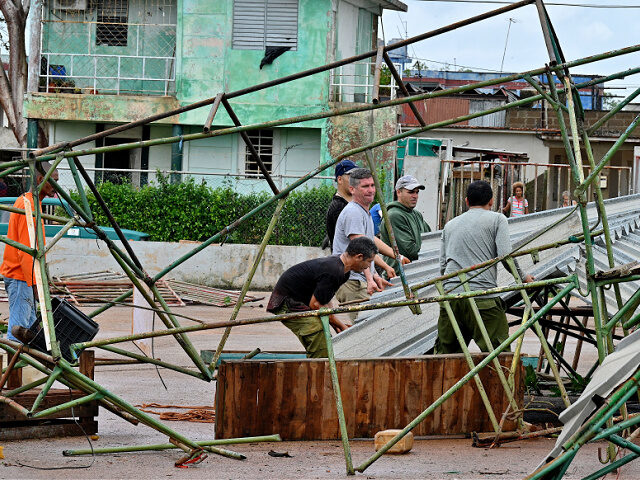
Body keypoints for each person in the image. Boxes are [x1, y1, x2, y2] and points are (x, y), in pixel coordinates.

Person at [435, 180, 534, 354]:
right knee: (498, 354)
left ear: (466, 201)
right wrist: (523, 277)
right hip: (482, 297)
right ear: (491, 201)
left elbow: (443, 265)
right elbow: (505, 256)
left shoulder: (449, 225)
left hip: (451, 297)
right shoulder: (497, 219)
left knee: (445, 356)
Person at [266, 237, 378, 358]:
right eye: (369, 261)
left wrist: (335, 325)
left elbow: (325, 300)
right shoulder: (333, 270)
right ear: (359, 257)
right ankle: (318, 371)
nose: (368, 267)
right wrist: (341, 326)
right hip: (287, 303)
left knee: (324, 328)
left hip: (302, 301)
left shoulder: (344, 272)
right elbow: (316, 305)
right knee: (317, 331)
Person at [332, 168, 409, 320]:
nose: (371, 190)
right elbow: (361, 249)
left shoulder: (363, 212)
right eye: (365, 186)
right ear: (352, 189)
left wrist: (394, 258)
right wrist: (370, 279)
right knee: (361, 329)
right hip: (351, 281)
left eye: (372, 185)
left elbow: (371, 240)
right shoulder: (353, 212)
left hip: (358, 279)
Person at [1, 162, 59, 342]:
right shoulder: (29, 207)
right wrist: (36, 285)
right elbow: (27, 253)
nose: (56, 187)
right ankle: (13, 369)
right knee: (18, 331)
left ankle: (27, 367)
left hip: (21, 276)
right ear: (42, 180)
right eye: (54, 181)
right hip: (21, 277)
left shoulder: (28, 202)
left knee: (30, 326)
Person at [380, 175, 431, 276]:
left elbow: (430, 239)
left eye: (417, 192)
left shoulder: (416, 214)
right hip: (398, 276)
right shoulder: (394, 215)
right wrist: (431, 255)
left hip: (413, 273)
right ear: (398, 192)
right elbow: (409, 250)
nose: (415, 196)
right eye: (411, 192)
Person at [324, 159, 358, 249]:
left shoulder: (352, 205)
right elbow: (358, 243)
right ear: (339, 179)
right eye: (351, 176)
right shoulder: (339, 207)